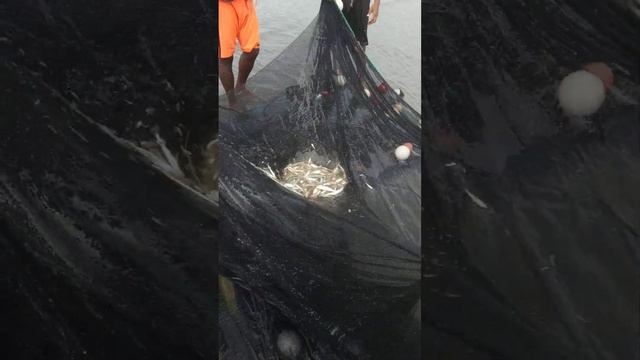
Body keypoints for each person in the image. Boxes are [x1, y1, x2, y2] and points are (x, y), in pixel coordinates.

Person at [218, 0, 260, 107]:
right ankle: (232, 101)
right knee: (225, 57)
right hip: (223, 7)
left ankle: (240, 87)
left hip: (245, 3)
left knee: (253, 50)